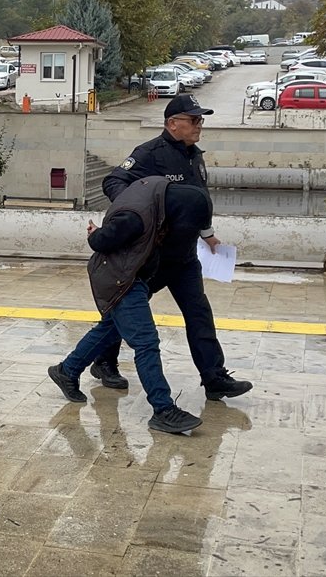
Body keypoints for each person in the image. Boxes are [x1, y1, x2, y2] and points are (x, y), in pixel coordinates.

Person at [84, 94, 253, 402]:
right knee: (123, 313)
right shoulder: (149, 154)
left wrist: (207, 234)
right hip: (152, 258)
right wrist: (140, 212)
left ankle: (214, 378)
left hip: (185, 257)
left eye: (201, 119)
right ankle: (103, 362)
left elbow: (198, 201)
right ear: (173, 123)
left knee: (199, 313)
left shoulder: (194, 156)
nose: (199, 125)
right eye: (194, 120)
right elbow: (113, 182)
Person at [48, 177, 211, 434]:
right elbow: (100, 241)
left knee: (109, 329)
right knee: (146, 342)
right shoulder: (136, 216)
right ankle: (163, 409)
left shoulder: (162, 203)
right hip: (118, 279)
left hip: (133, 275)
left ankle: (66, 371)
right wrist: (96, 232)